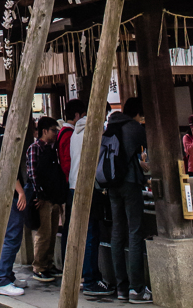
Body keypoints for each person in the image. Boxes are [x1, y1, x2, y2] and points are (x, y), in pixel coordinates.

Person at [105, 97, 151, 303]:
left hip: (112, 182)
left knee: (117, 232)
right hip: (130, 182)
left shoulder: (111, 126)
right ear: (138, 113)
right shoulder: (133, 127)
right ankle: (137, 288)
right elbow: (150, 144)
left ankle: (121, 287)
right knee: (134, 232)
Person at [69, 111, 111, 298]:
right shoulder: (93, 131)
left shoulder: (75, 132)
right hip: (88, 186)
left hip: (74, 185)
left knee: (84, 234)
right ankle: (91, 279)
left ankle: (85, 276)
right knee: (91, 235)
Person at [26, 115, 68, 282]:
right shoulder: (35, 148)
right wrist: (39, 193)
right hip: (42, 197)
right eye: (53, 130)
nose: (55, 133)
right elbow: (33, 173)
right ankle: (39, 266)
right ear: (44, 131)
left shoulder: (52, 148)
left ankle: (48, 264)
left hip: (53, 196)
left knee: (51, 233)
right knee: (44, 233)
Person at [0, 123, 29, 298]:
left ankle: (7, 276)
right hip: (11, 194)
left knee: (9, 236)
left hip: (3, 194)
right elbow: (8, 168)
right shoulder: (6, 141)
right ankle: (2, 279)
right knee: (12, 237)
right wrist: (20, 191)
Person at [57, 99, 86, 264]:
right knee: (71, 226)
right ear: (76, 115)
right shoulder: (69, 134)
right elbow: (69, 162)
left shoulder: (64, 133)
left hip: (68, 182)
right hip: (71, 182)